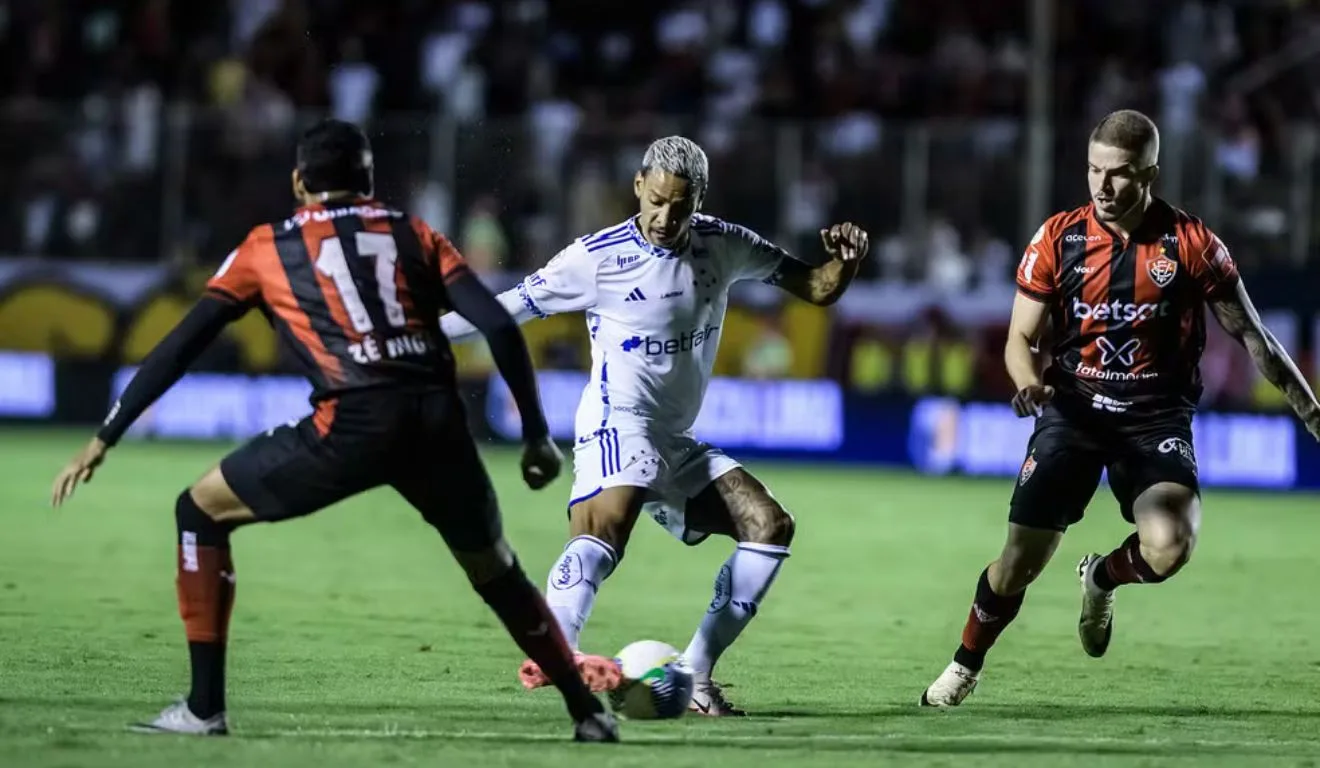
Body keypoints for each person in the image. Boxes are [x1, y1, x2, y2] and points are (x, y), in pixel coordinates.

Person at [49, 119, 619, 743]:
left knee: (199, 510)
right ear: (368, 180)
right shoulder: (413, 232)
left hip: (351, 423)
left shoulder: (267, 247)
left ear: (299, 182)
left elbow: (183, 343)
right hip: (437, 424)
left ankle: (203, 708)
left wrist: (107, 434)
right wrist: (535, 435)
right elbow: (500, 325)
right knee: (497, 570)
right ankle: (586, 713)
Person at [440, 136, 869, 716]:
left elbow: (815, 287)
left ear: (700, 201)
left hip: (674, 440)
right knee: (607, 523)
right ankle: (555, 646)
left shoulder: (725, 244)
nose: (665, 217)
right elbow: (504, 309)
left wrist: (844, 263)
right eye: (657, 200)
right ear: (639, 186)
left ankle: (697, 676)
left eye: (680, 206)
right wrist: (414, 334)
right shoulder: (595, 258)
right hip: (616, 419)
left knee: (770, 526)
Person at [920, 110, 1320, 706]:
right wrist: (1027, 382)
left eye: (1120, 173)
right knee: (1018, 564)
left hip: (1154, 420)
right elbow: (1019, 338)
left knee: (1170, 545)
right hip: (1072, 412)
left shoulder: (1192, 245)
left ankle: (1101, 577)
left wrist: (1311, 412)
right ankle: (965, 663)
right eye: (1094, 170)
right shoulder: (1058, 238)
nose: (1103, 186)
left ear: (1150, 174)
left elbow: (1252, 335)